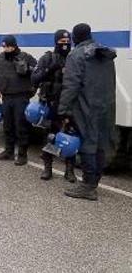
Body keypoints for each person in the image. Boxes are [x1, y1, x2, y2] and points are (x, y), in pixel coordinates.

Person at [59, 24, 116, 200]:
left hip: (86, 107)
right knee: (100, 144)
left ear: (75, 37)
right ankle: (94, 181)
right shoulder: (105, 54)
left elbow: (71, 85)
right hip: (106, 106)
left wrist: (64, 110)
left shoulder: (77, 55)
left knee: (87, 145)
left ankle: (88, 186)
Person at [31, 29, 76, 182]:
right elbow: (34, 79)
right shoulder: (47, 58)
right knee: (50, 137)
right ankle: (47, 168)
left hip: (70, 105)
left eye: (68, 42)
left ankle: (69, 170)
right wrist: (50, 69)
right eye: (62, 42)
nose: (65, 45)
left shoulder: (74, 58)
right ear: (56, 42)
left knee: (70, 137)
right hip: (51, 104)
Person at [0, 35, 38, 165]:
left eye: (8, 46)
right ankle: (9, 151)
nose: (6, 49)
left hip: (20, 96)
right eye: (4, 46)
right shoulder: (1, 57)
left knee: (21, 126)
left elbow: (37, 72)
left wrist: (27, 69)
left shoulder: (25, 57)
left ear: (14, 45)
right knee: (7, 126)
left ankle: (22, 155)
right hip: (7, 96)